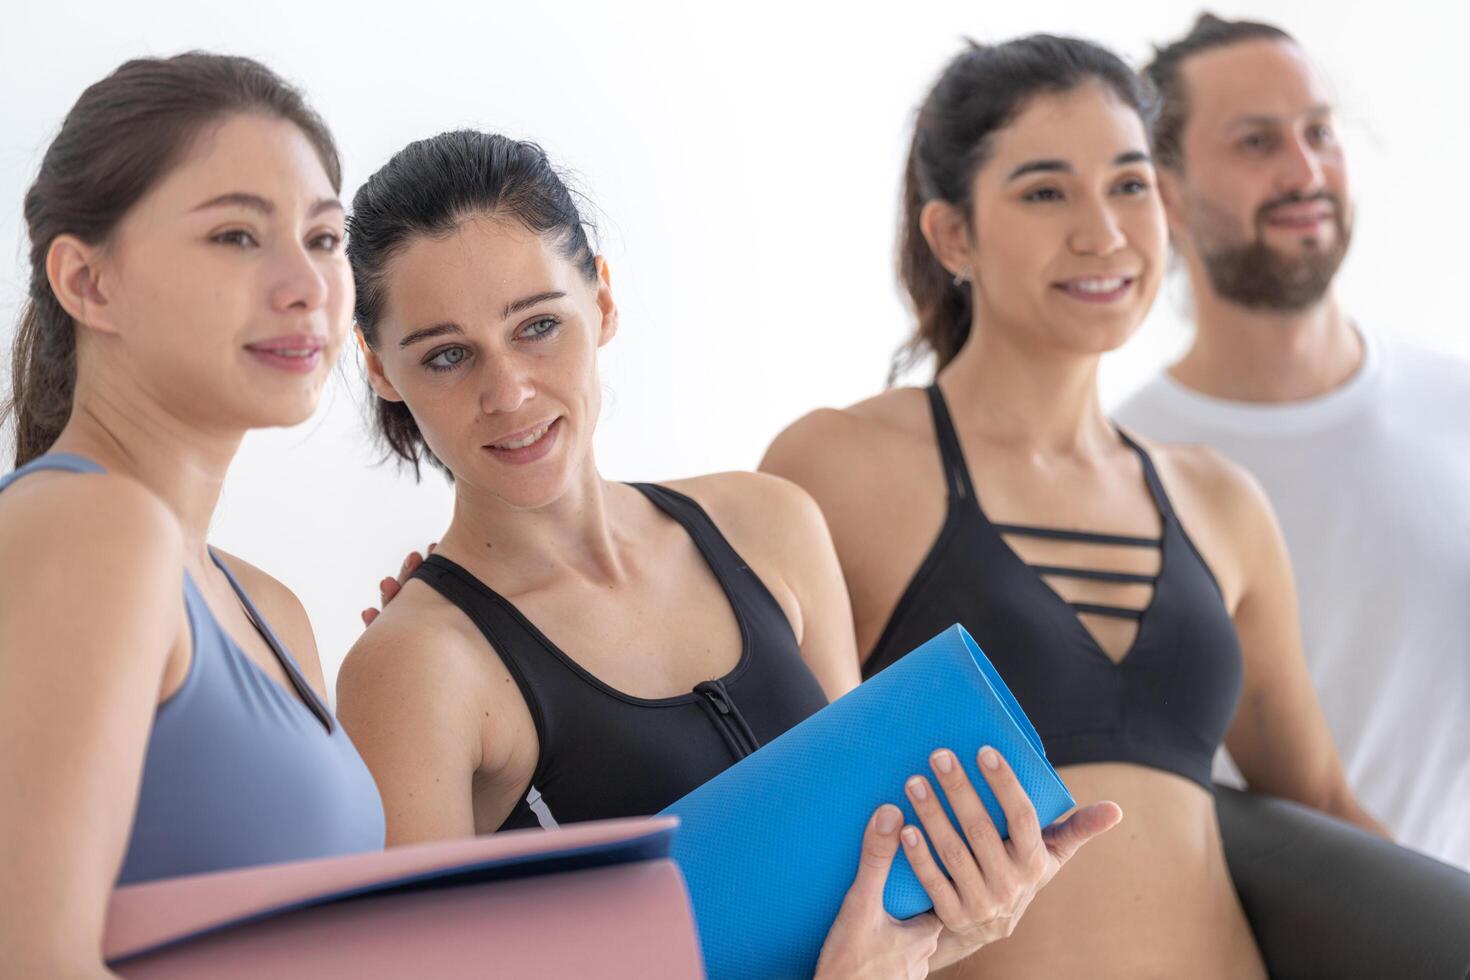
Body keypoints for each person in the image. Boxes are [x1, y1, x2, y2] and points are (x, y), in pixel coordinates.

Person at [336, 129, 1120, 977]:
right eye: (447, 356)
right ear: (381, 368)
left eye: (537, 326)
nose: (508, 392)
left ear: (601, 301)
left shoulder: (769, 524)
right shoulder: (417, 669)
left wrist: (960, 922)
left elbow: (860, 906)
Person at [760, 35, 1384, 979]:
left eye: (1131, 185)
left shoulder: (1218, 501)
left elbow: (1321, 799)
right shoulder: (843, 469)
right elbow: (764, 802)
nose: (1103, 232)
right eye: (1046, 191)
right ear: (952, 236)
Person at [0, 53, 385, 978]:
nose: (306, 285)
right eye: (236, 238)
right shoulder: (93, 531)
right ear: (88, 283)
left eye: (325, 239)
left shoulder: (271, 610)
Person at [1114, 13, 1470, 872]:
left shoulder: (1456, 407)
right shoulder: (1122, 467)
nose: (1305, 170)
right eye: (1256, 142)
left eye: (1319, 132)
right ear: (1164, 190)